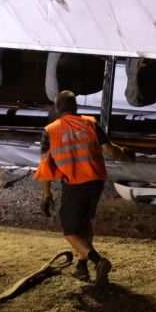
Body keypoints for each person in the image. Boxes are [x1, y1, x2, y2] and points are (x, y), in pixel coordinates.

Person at [35, 90, 127, 287]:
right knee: (84, 224)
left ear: (57, 108)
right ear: (76, 106)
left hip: (75, 184)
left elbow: (45, 166)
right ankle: (81, 267)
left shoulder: (50, 131)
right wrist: (126, 153)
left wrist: (46, 194)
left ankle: (98, 261)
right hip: (96, 182)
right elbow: (110, 150)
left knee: (70, 231)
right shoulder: (91, 123)